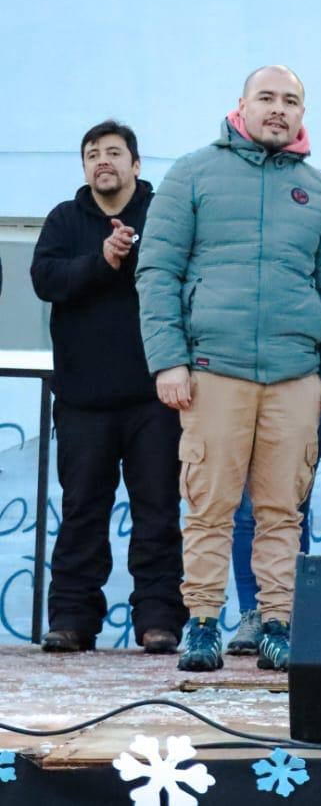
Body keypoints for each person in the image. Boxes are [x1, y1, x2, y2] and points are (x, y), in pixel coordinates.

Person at [137, 65, 321, 672]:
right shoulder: (192, 173)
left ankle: (277, 623)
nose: (278, 109)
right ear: (241, 105)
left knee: (283, 510)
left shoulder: (318, 190)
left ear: (302, 115)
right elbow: (157, 272)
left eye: (291, 101)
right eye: (268, 98)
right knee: (209, 506)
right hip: (214, 370)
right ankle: (202, 623)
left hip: (296, 376)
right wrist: (169, 361)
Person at [31, 120, 185, 654]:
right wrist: (101, 259)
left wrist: (129, 253)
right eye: (93, 154)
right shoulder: (63, 220)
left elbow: (179, 276)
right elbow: (46, 279)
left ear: (136, 165)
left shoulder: (163, 215)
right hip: (82, 400)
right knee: (81, 513)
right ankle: (72, 619)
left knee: (158, 512)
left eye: (114, 153)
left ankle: (159, 620)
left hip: (155, 396)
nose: (103, 161)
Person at [226, 412, 321, 654]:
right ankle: (252, 614)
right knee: (245, 511)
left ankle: (288, 616)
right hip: (245, 397)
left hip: (303, 396)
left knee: (291, 510)